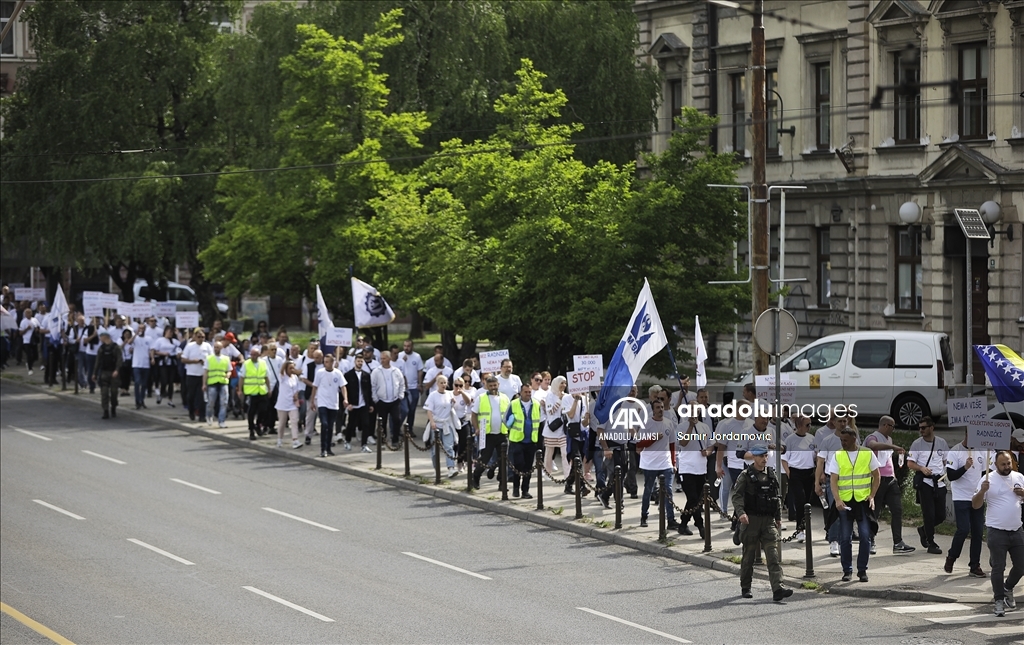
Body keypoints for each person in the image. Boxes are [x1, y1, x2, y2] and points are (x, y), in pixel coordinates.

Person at [732, 444, 793, 601]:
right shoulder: (745, 475)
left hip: (768, 522)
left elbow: (776, 497)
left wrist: (778, 517)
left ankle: (778, 588)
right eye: (761, 456)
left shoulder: (772, 474)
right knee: (748, 557)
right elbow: (737, 496)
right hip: (751, 521)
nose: (764, 459)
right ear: (754, 457)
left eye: (766, 456)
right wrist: (741, 513)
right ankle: (746, 586)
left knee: (773, 556)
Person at [972, 451, 1024, 617]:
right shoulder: (987, 479)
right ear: (995, 465)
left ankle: (1008, 587)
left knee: (1021, 565)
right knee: (998, 567)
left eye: (1009, 463)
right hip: (996, 530)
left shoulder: (1019, 477)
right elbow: (975, 505)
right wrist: (982, 491)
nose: (1007, 467)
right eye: (1003, 464)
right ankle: (999, 600)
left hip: (1017, 530)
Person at [828, 426, 880, 583]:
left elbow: (877, 476)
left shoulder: (867, 453)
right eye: (841, 440)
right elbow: (833, 480)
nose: (842, 443)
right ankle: (847, 570)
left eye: (845, 440)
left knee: (865, 536)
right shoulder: (838, 455)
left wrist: (872, 496)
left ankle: (862, 570)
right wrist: (837, 499)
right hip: (845, 502)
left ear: (854, 439)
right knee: (845, 538)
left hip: (862, 501)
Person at [864, 416, 915, 554]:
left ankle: (898, 542)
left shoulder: (889, 439)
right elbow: (873, 446)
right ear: (886, 425)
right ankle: (870, 540)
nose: (893, 429)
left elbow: (887, 459)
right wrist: (893, 446)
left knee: (897, 510)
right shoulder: (872, 437)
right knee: (874, 512)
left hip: (891, 480)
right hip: (877, 479)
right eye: (892, 426)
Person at [945, 429, 992, 577]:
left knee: (978, 532)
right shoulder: (955, 451)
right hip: (961, 496)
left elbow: (984, 472)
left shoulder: (982, 451)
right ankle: (952, 556)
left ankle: (974, 565)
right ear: (966, 435)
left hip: (977, 496)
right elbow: (951, 476)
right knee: (963, 529)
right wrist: (965, 467)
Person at [908, 416, 949, 554]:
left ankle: (923, 529)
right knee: (929, 514)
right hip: (925, 483)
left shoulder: (941, 442)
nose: (921, 430)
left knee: (941, 515)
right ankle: (931, 542)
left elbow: (946, 460)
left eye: (924, 427)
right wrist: (921, 468)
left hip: (939, 482)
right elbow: (910, 463)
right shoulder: (917, 444)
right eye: (919, 428)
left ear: (932, 427)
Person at [636, 399, 678, 529]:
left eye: (662, 407)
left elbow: (672, 444)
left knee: (668, 490)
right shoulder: (647, 423)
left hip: (665, 462)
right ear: (653, 410)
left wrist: (673, 462)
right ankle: (644, 516)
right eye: (658, 407)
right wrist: (653, 438)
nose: (660, 410)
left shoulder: (669, 423)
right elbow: (639, 443)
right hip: (650, 463)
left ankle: (671, 519)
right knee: (648, 490)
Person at [471, 376, 511, 489]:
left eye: (495, 385)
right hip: (487, 434)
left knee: (503, 459)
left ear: (498, 384)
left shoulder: (505, 398)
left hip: (502, 433)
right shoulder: (481, 398)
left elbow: (509, 414)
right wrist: (476, 428)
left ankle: (502, 483)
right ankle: (476, 477)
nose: (493, 387)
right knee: (485, 458)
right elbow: (474, 415)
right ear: (487, 386)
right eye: (491, 386)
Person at [676, 411, 711, 538]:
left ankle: (683, 524)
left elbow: (711, 445)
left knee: (695, 500)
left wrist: (707, 452)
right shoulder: (681, 427)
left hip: (701, 468)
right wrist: (690, 427)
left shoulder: (704, 427)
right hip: (686, 468)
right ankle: (700, 525)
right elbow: (682, 443)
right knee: (692, 498)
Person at [781, 415, 815, 542]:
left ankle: (805, 526)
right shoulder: (790, 440)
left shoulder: (812, 438)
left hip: (809, 472)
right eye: (807, 425)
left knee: (807, 502)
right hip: (795, 472)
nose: (809, 427)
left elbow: (816, 455)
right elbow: (784, 459)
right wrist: (789, 473)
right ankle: (800, 529)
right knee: (800, 500)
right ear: (799, 425)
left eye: (810, 424)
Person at [505, 383, 542, 497]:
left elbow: (539, 421)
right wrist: (511, 427)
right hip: (517, 441)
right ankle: (516, 488)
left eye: (529, 392)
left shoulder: (536, 404)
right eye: (526, 392)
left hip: (531, 441)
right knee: (518, 465)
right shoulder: (514, 404)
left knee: (528, 467)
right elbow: (505, 420)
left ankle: (525, 490)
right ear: (521, 392)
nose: (528, 394)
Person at [425, 375, 460, 478]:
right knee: (435, 448)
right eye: (441, 383)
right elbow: (429, 410)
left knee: (449, 446)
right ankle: (436, 468)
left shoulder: (449, 394)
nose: (443, 385)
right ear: (437, 384)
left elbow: (450, 407)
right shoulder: (433, 395)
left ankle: (451, 468)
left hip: (446, 424)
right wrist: (432, 422)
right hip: (436, 424)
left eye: (445, 383)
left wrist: (453, 402)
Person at [310, 353, 344, 458]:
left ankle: (328, 448)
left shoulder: (338, 373)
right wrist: (312, 401)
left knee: (330, 426)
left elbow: (343, 387)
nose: (325, 364)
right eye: (324, 362)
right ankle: (323, 449)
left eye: (327, 362)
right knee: (324, 424)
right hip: (322, 402)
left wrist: (346, 399)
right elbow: (314, 387)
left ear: (332, 362)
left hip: (333, 403)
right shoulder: (320, 372)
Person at [371, 351, 405, 448]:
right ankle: (383, 440)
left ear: (389, 359)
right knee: (382, 422)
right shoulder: (376, 371)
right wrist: (376, 399)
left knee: (397, 419)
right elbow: (373, 386)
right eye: (381, 358)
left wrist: (400, 396)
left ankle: (395, 439)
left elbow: (402, 384)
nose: (382, 360)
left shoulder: (396, 371)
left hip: (394, 400)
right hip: (382, 401)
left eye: (384, 358)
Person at [180, 328, 212, 423]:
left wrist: (205, 362)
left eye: (203, 337)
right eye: (199, 337)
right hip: (191, 374)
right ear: (195, 337)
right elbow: (183, 359)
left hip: (203, 375)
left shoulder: (207, 346)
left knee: (202, 396)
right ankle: (191, 411)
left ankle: (202, 415)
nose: (201, 339)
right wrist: (194, 361)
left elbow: (211, 358)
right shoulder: (190, 346)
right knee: (191, 395)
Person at [343, 354, 374, 452]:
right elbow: (345, 390)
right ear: (355, 362)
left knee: (366, 424)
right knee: (351, 424)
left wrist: (370, 404)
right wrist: (348, 403)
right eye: (358, 361)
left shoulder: (366, 375)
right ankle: (347, 441)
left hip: (363, 404)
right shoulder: (348, 375)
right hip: (353, 404)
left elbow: (369, 390)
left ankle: (364, 445)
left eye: (361, 361)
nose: (360, 363)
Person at [238, 347, 270, 440]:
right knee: (251, 412)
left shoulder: (263, 363)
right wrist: (240, 390)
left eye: (255, 355)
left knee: (263, 410)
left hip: (262, 390)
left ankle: (258, 424)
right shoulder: (246, 364)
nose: (253, 356)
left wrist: (269, 389)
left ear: (259, 355)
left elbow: (266, 377)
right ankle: (251, 430)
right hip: (251, 392)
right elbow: (242, 378)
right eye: (251, 355)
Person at [91, 330, 122, 419]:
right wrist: (94, 373)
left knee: (114, 392)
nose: (100, 339)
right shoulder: (101, 348)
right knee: (104, 393)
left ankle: (113, 407)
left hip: (113, 373)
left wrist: (117, 370)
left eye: (101, 338)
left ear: (105, 337)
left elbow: (119, 360)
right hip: (104, 373)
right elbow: (98, 361)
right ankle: (105, 410)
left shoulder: (116, 347)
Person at [396, 340, 424, 432]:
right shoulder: (399, 356)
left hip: (414, 387)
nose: (406, 348)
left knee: (412, 410)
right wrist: (402, 361)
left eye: (408, 346)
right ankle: (397, 428)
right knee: (403, 410)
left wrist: (420, 384)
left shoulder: (417, 356)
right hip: (402, 387)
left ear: (412, 346)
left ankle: (409, 429)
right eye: (405, 346)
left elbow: (420, 371)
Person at [202, 341, 231, 428]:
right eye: (215, 347)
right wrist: (204, 384)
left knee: (224, 402)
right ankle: (209, 415)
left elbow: (229, 370)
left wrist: (228, 374)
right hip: (212, 383)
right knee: (211, 402)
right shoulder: (209, 358)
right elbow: (206, 372)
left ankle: (221, 421)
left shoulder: (226, 358)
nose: (216, 349)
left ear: (221, 348)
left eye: (217, 347)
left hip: (223, 382)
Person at [274, 359, 302, 449]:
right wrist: (286, 362)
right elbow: (281, 370)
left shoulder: (295, 377)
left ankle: (295, 440)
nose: (292, 370)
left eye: (293, 368)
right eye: (290, 368)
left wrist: (296, 395)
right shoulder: (282, 376)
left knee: (294, 421)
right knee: (282, 423)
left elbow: (297, 388)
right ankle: (279, 439)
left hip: (292, 404)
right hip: (283, 404)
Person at [151, 326, 179, 407]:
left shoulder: (174, 341)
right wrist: (161, 354)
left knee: (171, 381)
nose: (171, 333)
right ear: (165, 332)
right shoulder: (160, 340)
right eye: (169, 332)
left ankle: (170, 399)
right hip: (163, 362)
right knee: (164, 380)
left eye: (172, 332)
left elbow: (181, 345)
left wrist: (178, 334)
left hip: (172, 362)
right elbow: (154, 350)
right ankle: (162, 393)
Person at [128, 323, 153, 409]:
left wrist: (152, 358)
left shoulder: (149, 338)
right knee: (137, 382)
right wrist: (136, 334)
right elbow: (129, 342)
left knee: (144, 384)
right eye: (140, 328)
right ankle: (137, 400)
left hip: (145, 364)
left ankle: (142, 400)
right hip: (136, 364)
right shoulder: (135, 338)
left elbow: (151, 349)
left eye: (142, 328)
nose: (141, 330)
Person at [18, 307, 39, 375]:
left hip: (33, 340)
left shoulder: (34, 320)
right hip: (26, 341)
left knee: (35, 356)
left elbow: (39, 327)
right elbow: (20, 333)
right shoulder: (23, 322)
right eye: (27, 313)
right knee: (29, 355)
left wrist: (37, 329)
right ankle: (30, 369)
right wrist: (27, 329)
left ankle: (29, 363)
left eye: (30, 313)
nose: (29, 314)